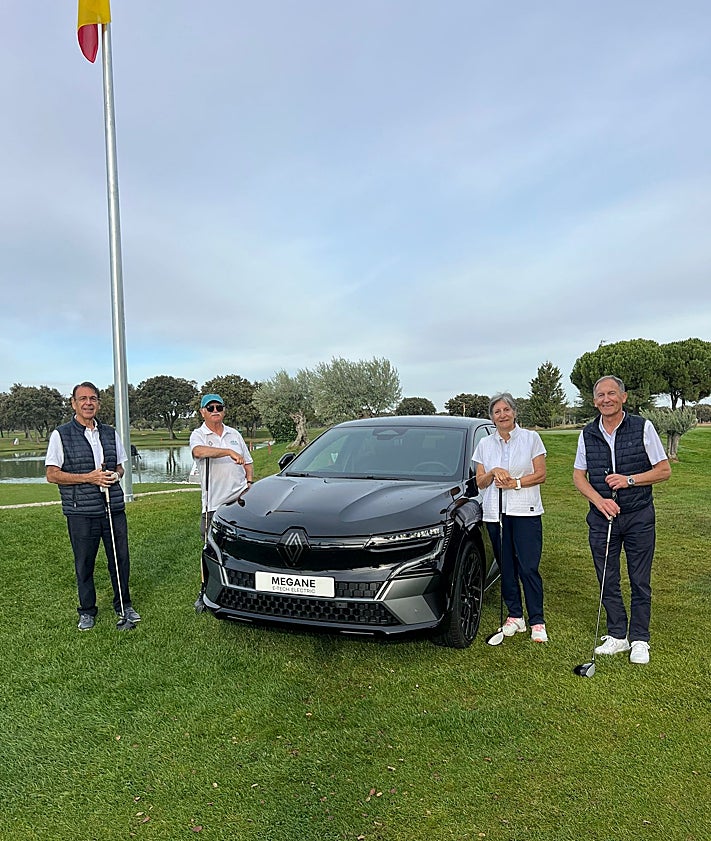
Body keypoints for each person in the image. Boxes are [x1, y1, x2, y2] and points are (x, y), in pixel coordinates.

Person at [573, 375, 671, 665]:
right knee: (607, 579)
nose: (606, 399)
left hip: (638, 516)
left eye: (612, 393)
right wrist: (598, 500)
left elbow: (663, 470)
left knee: (640, 580)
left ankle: (640, 639)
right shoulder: (588, 433)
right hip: (602, 518)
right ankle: (617, 635)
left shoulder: (643, 427)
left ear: (623, 397)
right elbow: (579, 476)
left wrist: (629, 480)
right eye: (601, 395)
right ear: (594, 401)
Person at [45, 381, 139, 631]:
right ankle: (87, 610)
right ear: (74, 403)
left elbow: (120, 465)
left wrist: (115, 476)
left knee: (120, 560)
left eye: (93, 398)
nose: (89, 403)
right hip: (81, 512)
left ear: (98, 403)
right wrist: (89, 477)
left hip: (112, 508)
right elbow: (52, 474)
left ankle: (123, 605)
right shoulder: (61, 434)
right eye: (83, 398)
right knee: (84, 562)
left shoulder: (110, 432)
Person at [473, 393, 548, 642]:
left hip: (525, 511)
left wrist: (514, 482)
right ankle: (515, 616)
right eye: (497, 411)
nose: (502, 415)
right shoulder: (485, 445)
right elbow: (480, 482)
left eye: (506, 410)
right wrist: (494, 471)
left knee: (528, 567)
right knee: (506, 567)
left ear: (514, 412)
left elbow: (540, 475)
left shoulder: (531, 439)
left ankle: (537, 620)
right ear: (491, 417)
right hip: (496, 514)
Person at [190, 393, 254, 611]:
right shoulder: (199, 435)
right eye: (211, 408)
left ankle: (242, 588)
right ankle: (205, 589)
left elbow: (248, 462)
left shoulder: (234, 434)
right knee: (210, 549)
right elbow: (199, 452)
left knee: (242, 548)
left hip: (240, 502)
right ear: (202, 412)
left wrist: (250, 483)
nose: (215, 411)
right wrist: (227, 451)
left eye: (219, 407)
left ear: (224, 410)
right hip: (213, 504)